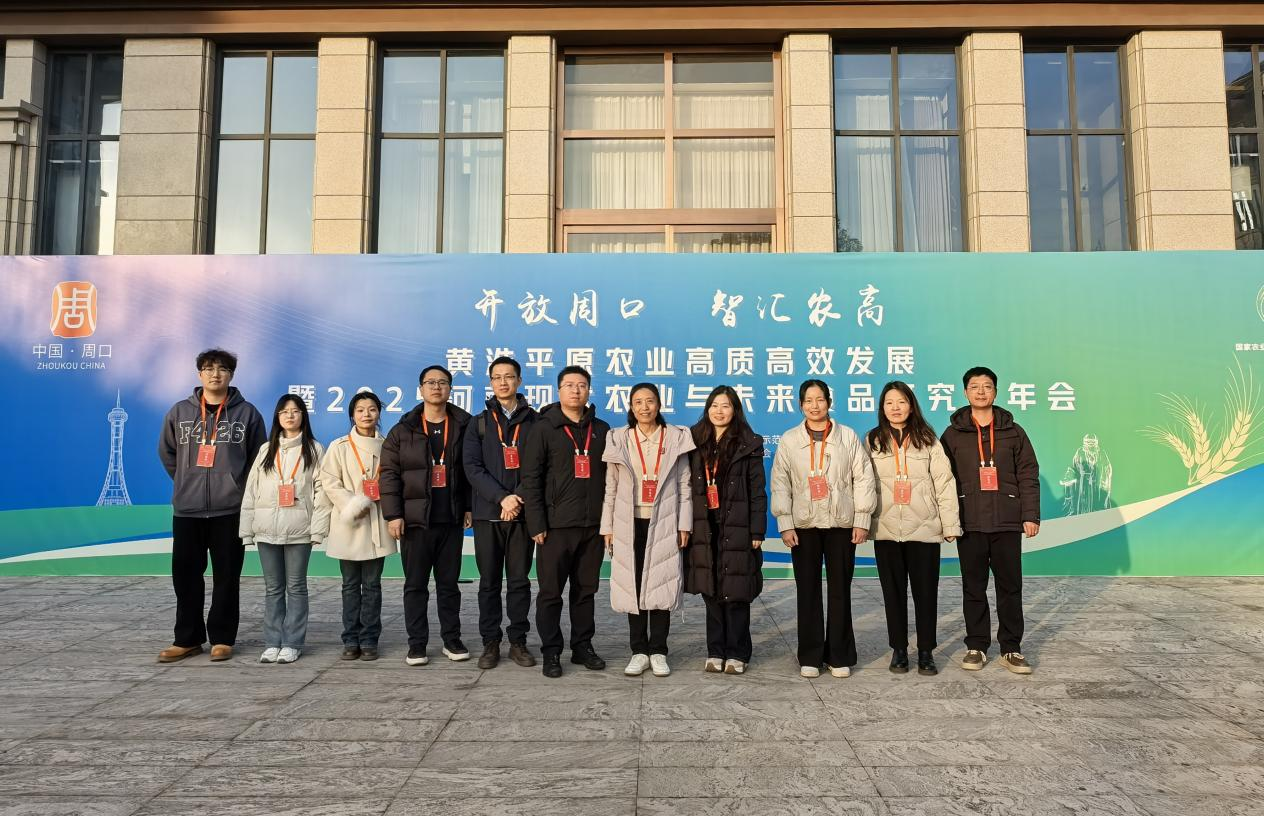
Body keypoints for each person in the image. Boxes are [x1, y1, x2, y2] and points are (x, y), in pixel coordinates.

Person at [157, 348, 266, 663]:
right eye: (208, 368)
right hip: (188, 510)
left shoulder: (247, 414)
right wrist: (186, 480)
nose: (215, 374)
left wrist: (234, 486)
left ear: (231, 375)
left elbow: (258, 458)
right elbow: (167, 453)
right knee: (185, 576)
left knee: (227, 577)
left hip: (229, 510)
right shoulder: (180, 412)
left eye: (222, 369)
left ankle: (222, 638)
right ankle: (187, 639)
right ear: (199, 374)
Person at [770, 379, 876, 679]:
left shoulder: (847, 436)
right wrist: (785, 523)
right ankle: (810, 655)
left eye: (820, 399)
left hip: (841, 524)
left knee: (840, 590)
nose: (814, 406)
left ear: (829, 402)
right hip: (803, 526)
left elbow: (863, 478)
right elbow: (780, 483)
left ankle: (839, 655)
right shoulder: (790, 439)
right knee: (808, 591)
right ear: (800, 404)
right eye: (808, 400)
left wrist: (862, 519)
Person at [940, 366, 1040, 675]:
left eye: (987, 386)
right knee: (974, 588)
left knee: (1010, 588)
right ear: (965, 392)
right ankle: (977, 646)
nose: (981, 391)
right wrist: (947, 520)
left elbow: (1028, 474)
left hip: (1007, 521)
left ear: (995, 391)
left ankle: (1011, 648)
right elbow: (942, 480)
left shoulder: (1014, 431)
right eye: (975, 386)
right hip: (969, 522)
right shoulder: (952, 434)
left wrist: (1030, 515)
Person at [521, 365, 611, 679]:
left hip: (592, 527)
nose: (576, 390)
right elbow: (531, 479)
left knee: (585, 592)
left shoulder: (602, 429)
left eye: (582, 385)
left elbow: (611, 480)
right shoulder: (543, 428)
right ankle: (551, 650)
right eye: (569, 385)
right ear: (559, 391)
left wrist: (607, 523)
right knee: (550, 593)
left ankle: (583, 646)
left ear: (589, 390)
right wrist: (536, 523)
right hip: (554, 528)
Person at [865, 381, 961, 676]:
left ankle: (926, 651)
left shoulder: (928, 438)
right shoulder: (873, 440)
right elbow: (863, 484)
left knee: (925, 593)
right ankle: (899, 649)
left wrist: (950, 524)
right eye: (889, 403)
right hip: (886, 529)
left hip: (924, 529)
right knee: (892, 594)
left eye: (901, 402)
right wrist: (862, 523)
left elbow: (944, 482)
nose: (895, 408)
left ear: (911, 406)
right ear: (882, 408)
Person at [382, 365, 473, 667]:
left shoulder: (464, 425)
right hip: (415, 522)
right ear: (421, 389)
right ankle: (417, 644)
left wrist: (469, 506)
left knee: (449, 585)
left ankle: (452, 639)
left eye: (442, 382)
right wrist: (394, 514)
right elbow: (389, 475)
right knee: (415, 586)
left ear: (450, 389)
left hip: (451, 520)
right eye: (430, 382)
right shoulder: (403, 430)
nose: (436, 387)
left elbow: (472, 470)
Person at [601, 383, 694, 678]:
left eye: (650, 401)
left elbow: (684, 485)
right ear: (631, 406)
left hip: (665, 520)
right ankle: (639, 651)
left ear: (659, 405)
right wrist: (607, 527)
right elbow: (611, 487)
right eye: (638, 402)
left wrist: (684, 524)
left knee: (662, 584)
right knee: (634, 585)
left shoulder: (676, 437)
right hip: (628, 522)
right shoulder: (619, 438)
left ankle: (659, 651)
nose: (644, 407)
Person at [239, 395, 330, 664]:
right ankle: (272, 642)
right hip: (266, 529)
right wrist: (247, 530)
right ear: (277, 417)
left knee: (297, 587)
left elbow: (321, 492)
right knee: (273, 588)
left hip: (299, 529)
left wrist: (318, 530)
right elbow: (251, 491)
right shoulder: (266, 450)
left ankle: (292, 643)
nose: (290, 416)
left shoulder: (314, 449)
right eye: (284, 411)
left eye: (296, 411)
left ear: (304, 416)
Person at [463, 356, 539, 669]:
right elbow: (472, 467)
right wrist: (501, 498)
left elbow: (540, 466)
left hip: (522, 515)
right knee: (489, 582)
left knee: (519, 582)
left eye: (509, 376)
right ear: (491, 382)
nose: (503, 382)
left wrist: (516, 498)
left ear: (519, 381)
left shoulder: (535, 422)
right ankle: (490, 642)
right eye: (497, 377)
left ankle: (518, 642)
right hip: (488, 514)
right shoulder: (479, 423)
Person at [684, 385, 766, 675]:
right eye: (714, 406)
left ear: (735, 410)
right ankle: (715, 650)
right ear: (707, 409)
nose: (719, 411)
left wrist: (757, 531)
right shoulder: (694, 440)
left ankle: (738, 652)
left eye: (726, 406)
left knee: (736, 591)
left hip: (738, 525)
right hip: (704, 526)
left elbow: (758, 490)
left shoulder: (748, 443)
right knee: (712, 590)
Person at [321, 391, 395, 661]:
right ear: (352, 415)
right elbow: (329, 481)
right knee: (350, 585)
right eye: (360, 410)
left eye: (372, 409)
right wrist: (352, 504)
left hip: (376, 521)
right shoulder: (339, 446)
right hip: (349, 522)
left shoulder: (389, 446)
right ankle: (350, 639)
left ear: (379, 414)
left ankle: (370, 639)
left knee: (373, 585)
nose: (366, 414)